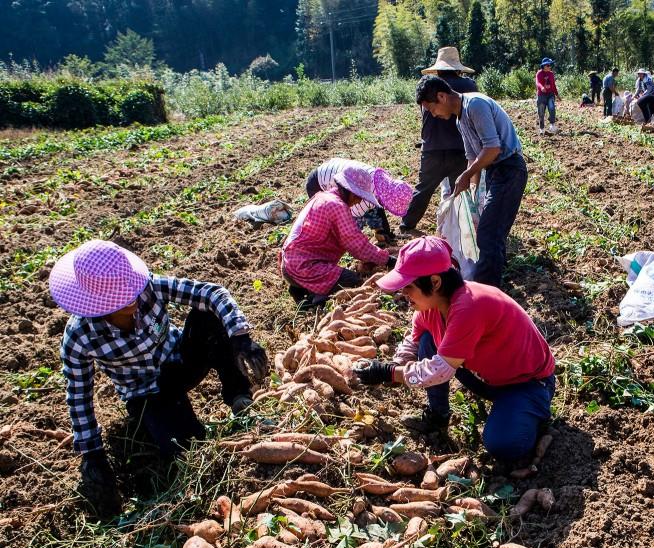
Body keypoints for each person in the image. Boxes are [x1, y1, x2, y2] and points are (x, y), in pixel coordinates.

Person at [50, 240, 269, 516]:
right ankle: (175, 428)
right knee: (188, 449)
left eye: (128, 288)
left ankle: (239, 399)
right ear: (95, 303)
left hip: (180, 359)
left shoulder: (147, 288)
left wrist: (241, 337)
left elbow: (211, 293)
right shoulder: (79, 338)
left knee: (207, 316)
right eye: (119, 297)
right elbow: (79, 397)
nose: (131, 298)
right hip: (148, 392)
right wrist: (92, 453)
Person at [353, 237, 555, 469]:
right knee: (428, 340)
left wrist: (389, 373)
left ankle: (534, 414)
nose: (403, 294)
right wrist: (394, 364)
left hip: (526, 383)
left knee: (504, 446)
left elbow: (439, 371)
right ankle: (438, 416)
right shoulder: (432, 306)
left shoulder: (469, 306)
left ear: (435, 282)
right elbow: (414, 340)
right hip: (487, 378)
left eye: (408, 287)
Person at [415, 75, 527, 288]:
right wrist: (470, 194)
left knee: (488, 232)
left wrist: (467, 176)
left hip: (509, 168)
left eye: (432, 109)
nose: (434, 115)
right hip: (495, 172)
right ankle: (495, 276)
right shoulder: (460, 119)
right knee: (490, 229)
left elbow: (493, 148)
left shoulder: (475, 104)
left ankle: (486, 291)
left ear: (441, 96)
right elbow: (472, 157)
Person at [281, 164, 411, 307]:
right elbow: (357, 245)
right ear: (353, 193)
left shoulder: (323, 196)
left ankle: (300, 288)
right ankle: (314, 298)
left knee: (343, 275)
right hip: (304, 267)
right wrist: (388, 261)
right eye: (360, 197)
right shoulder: (337, 206)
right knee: (351, 280)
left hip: (289, 264)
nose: (360, 201)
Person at [398, 47, 480, 238]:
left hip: (432, 148)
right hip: (459, 148)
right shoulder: (469, 86)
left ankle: (406, 225)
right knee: (458, 190)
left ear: (438, 69)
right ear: (457, 68)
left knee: (423, 188)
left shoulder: (426, 87)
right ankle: (460, 228)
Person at [305, 158, 404, 244]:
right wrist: (360, 244)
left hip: (333, 170)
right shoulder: (360, 195)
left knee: (371, 211)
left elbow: (374, 207)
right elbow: (353, 223)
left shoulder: (380, 182)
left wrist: (380, 231)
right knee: (330, 223)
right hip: (318, 182)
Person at [535, 57, 559, 135]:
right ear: (544, 66)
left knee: (552, 108)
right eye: (548, 65)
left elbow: (553, 85)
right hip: (541, 95)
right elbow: (537, 82)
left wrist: (557, 94)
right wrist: (541, 87)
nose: (549, 67)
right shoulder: (539, 73)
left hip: (550, 94)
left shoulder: (551, 74)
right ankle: (542, 129)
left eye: (550, 65)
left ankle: (552, 125)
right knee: (541, 112)